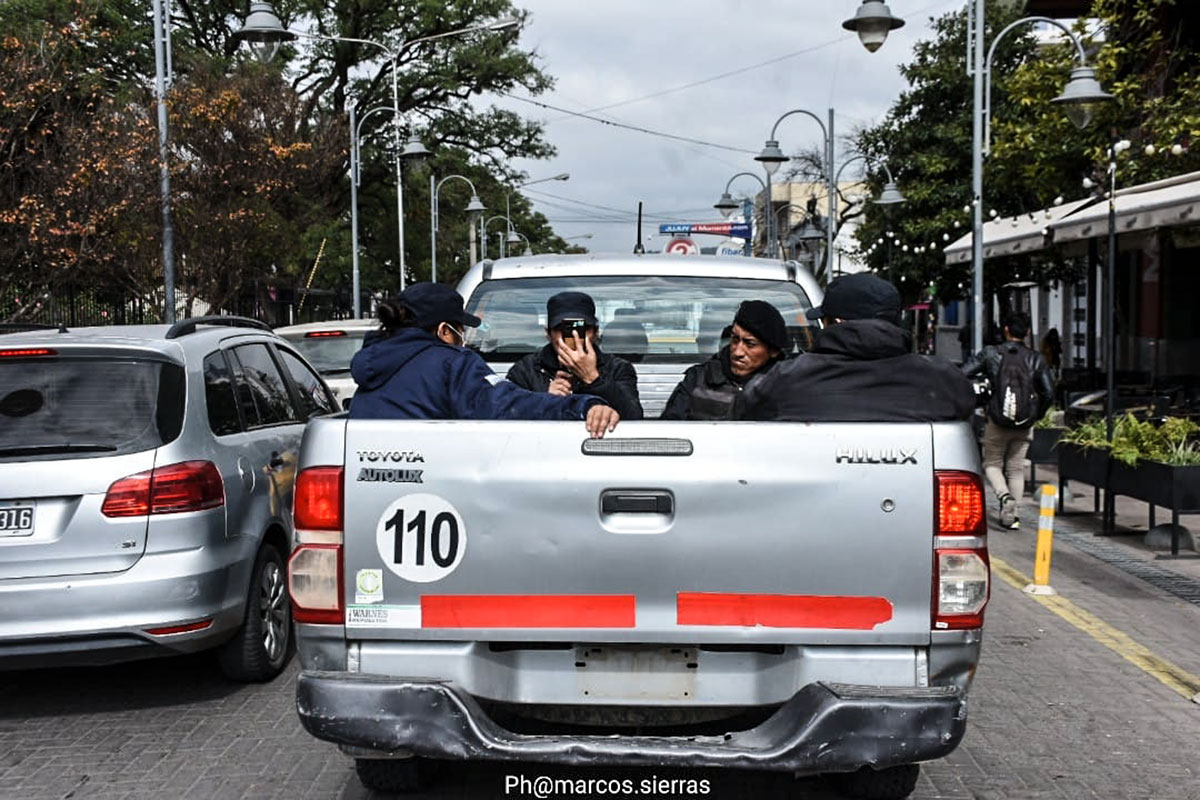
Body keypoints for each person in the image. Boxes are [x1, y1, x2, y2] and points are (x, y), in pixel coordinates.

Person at [348, 282, 620, 438]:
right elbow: (508, 406)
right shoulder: (452, 363)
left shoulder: (372, 365)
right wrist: (582, 405)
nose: (462, 337)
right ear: (445, 330)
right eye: (460, 329)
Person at [737, 272, 975, 422]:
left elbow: (748, 407)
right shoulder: (942, 379)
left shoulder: (785, 379)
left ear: (836, 323)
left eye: (825, 320)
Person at [962, 312, 1055, 529]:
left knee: (992, 464)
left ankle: (1004, 497)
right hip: (1025, 423)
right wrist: (1036, 415)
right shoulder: (1036, 358)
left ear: (1005, 330)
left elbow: (963, 373)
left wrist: (983, 389)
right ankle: (1012, 518)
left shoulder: (991, 354)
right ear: (1028, 332)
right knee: (1015, 469)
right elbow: (1049, 393)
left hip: (997, 420)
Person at [506, 291, 643, 419]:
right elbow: (505, 416)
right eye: (563, 329)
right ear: (548, 334)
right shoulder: (525, 370)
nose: (573, 336)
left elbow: (634, 418)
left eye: (580, 328)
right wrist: (545, 400)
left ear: (595, 332)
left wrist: (592, 378)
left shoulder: (618, 368)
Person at [660, 300, 788, 420]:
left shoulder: (789, 386)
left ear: (773, 351)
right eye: (735, 339)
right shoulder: (698, 379)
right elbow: (670, 431)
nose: (738, 352)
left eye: (750, 344)